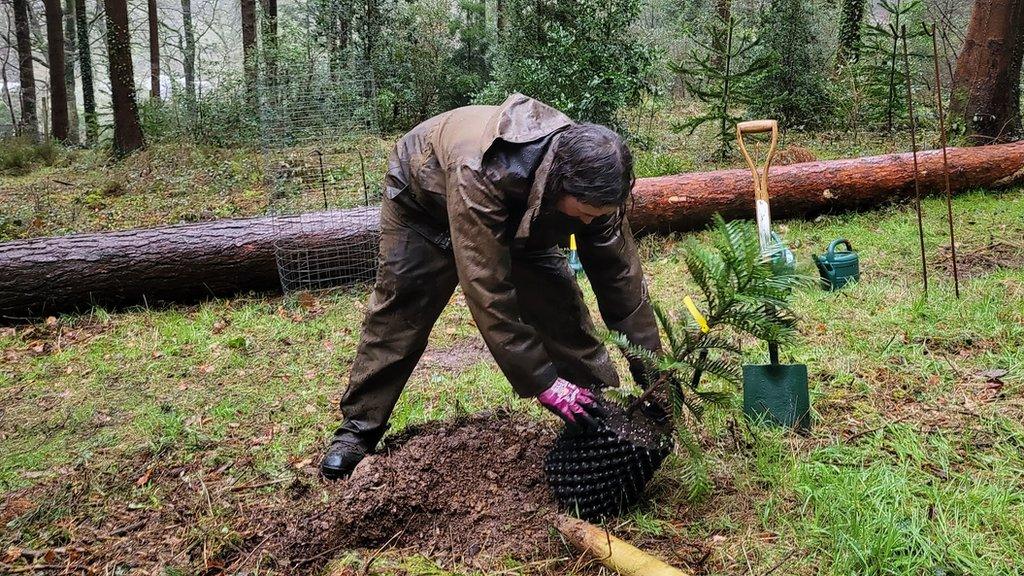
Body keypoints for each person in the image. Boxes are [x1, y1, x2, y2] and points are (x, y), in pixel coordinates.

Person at [321, 93, 661, 480]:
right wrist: (543, 382)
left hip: (525, 219)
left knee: (562, 311)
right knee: (400, 314)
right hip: (425, 203)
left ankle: (598, 414)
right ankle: (356, 433)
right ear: (561, 185)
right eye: (583, 214)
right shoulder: (483, 168)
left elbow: (622, 283)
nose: (588, 223)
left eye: (596, 216)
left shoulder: (598, 186)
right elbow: (488, 289)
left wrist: (656, 377)